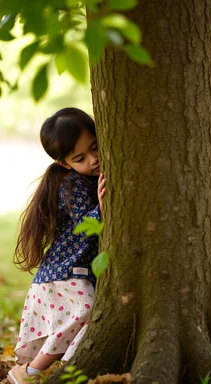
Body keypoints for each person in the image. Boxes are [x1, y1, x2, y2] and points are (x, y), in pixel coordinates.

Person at [8, 107, 105, 384]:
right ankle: (27, 373)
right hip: (62, 273)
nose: (94, 159)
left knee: (86, 315)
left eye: (95, 147)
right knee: (86, 310)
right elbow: (83, 226)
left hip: (74, 273)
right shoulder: (70, 183)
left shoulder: (85, 177)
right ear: (65, 163)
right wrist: (102, 207)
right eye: (80, 158)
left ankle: (67, 371)